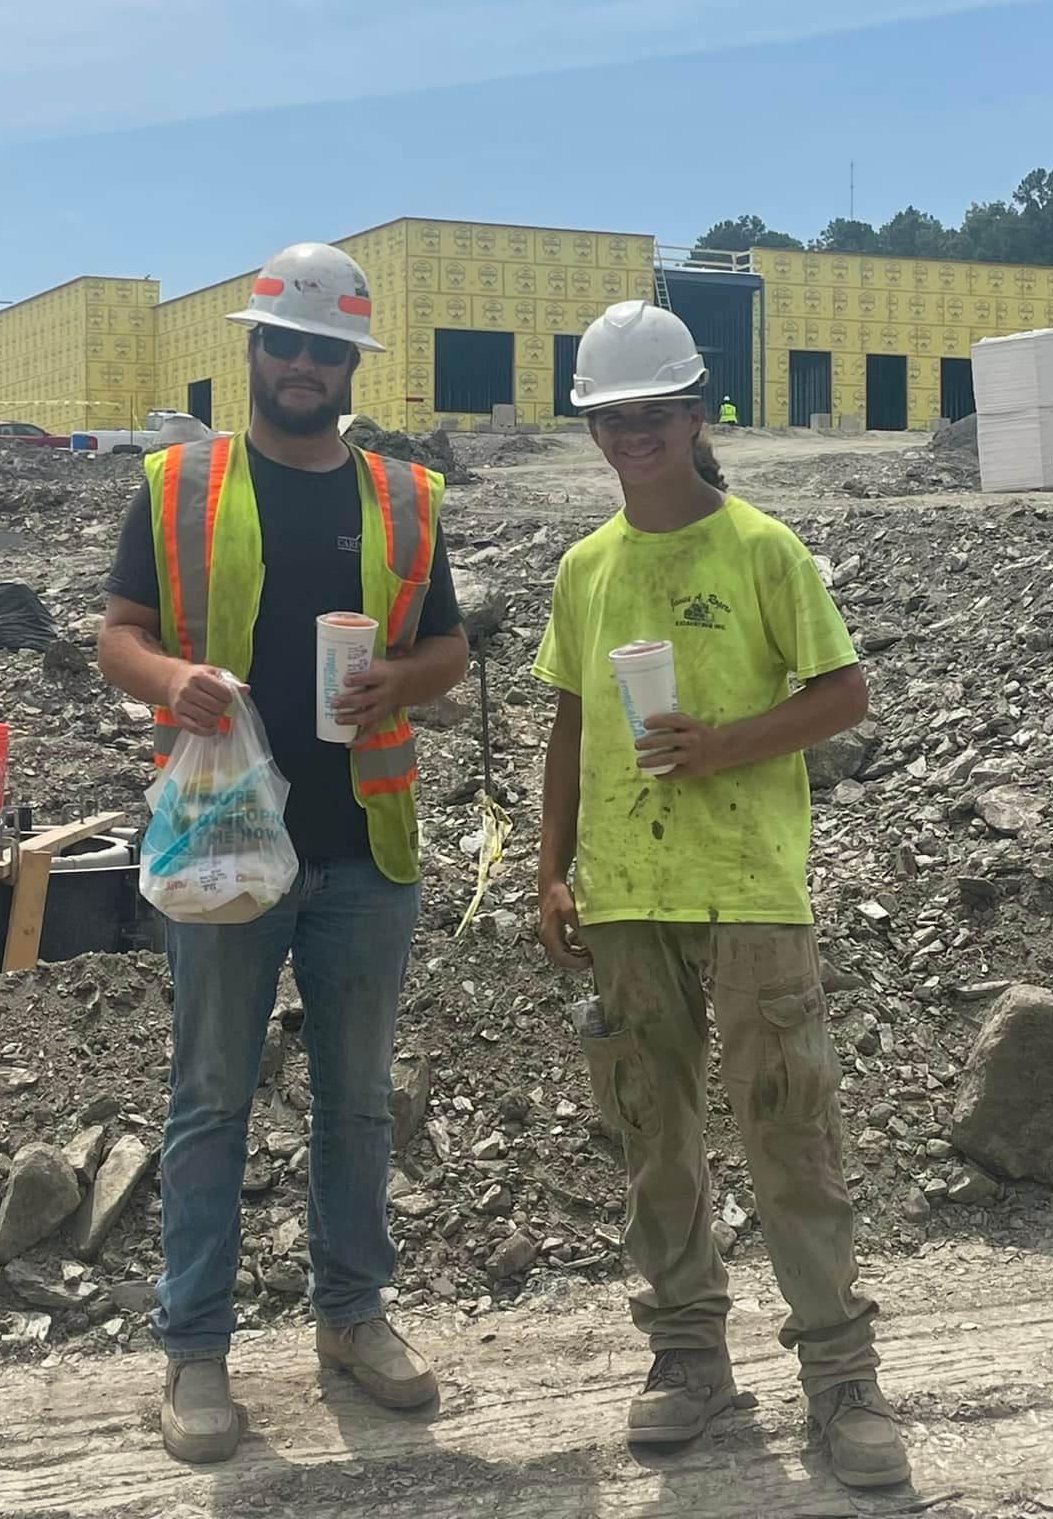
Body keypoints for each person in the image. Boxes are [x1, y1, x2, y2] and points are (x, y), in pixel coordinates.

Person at [100, 241, 469, 1466]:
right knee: (209, 1095)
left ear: (349, 363)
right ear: (252, 350)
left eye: (328, 348)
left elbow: (449, 653)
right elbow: (119, 636)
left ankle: (352, 1316)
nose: (305, 364)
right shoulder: (175, 483)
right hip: (221, 847)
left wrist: (399, 679)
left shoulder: (406, 498)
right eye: (287, 343)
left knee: (358, 1099)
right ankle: (194, 1346)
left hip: (365, 843)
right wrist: (175, 680)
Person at [532, 300, 909, 1491]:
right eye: (611, 418)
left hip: (749, 882)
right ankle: (687, 1353)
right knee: (654, 1131)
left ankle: (840, 1372)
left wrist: (724, 744)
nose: (630, 436)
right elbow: (573, 720)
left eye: (651, 414)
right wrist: (554, 867)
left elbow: (841, 694)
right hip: (627, 887)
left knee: (789, 1124)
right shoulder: (586, 569)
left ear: (697, 415)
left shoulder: (761, 549)